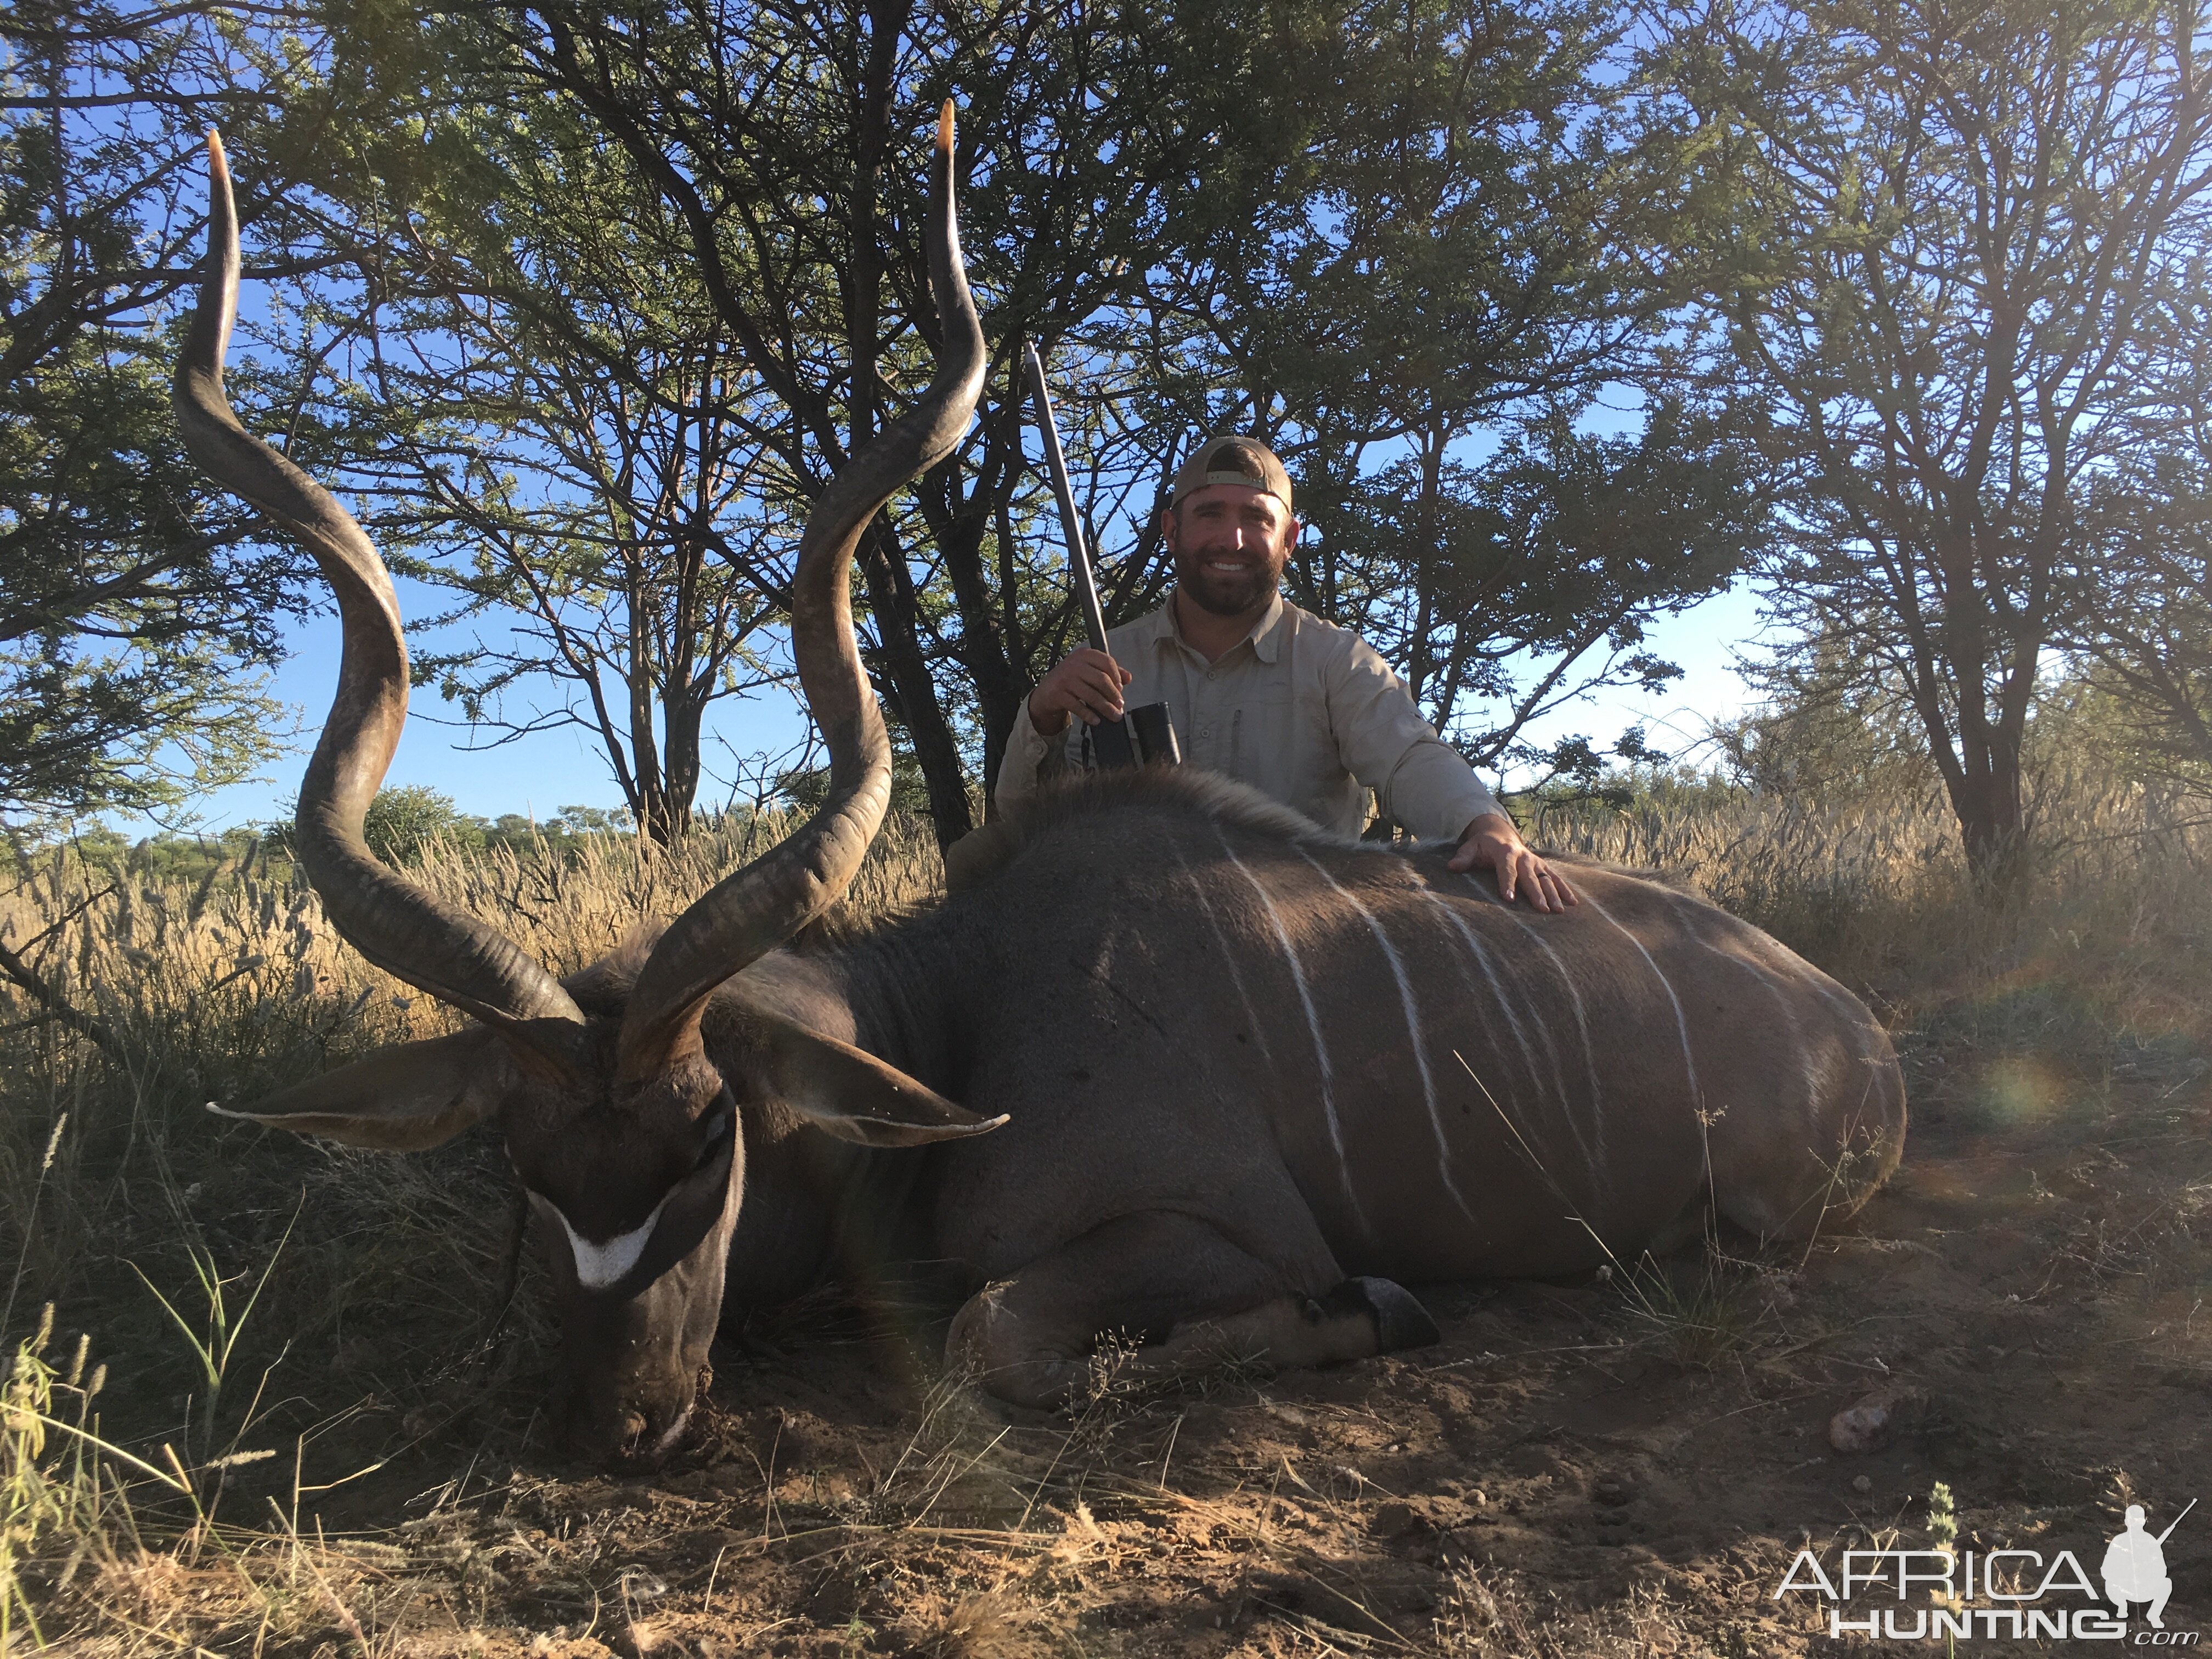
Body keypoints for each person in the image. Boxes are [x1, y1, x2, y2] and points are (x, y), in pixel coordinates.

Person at [994, 435, 1575, 912]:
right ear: (1172, 531)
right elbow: (1017, 819)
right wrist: (1043, 714)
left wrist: (1485, 826)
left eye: (1256, 518)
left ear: (1289, 539)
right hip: (1137, 916)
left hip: (1297, 933)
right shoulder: (1107, 657)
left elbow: (1408, 758)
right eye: (1210, 515)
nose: (1234, 539)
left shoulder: (1336, 658)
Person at [2103, 1505, 2174, 1628]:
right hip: (2124, 1588)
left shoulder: (2151, 1542)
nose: (2135, 1523)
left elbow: (2162, 1570)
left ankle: (2154, 1615)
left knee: (2166, 1584)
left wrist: (2147, 1570)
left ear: (2144, 1521)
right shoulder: (2118, 1541)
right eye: (2132, 1520)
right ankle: (2122, 1606)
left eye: (2138, 1520)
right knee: (2110, 1584)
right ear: (2126, 1522)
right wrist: (2125, 1572)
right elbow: (2106, 1570)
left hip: (2145, 1588)